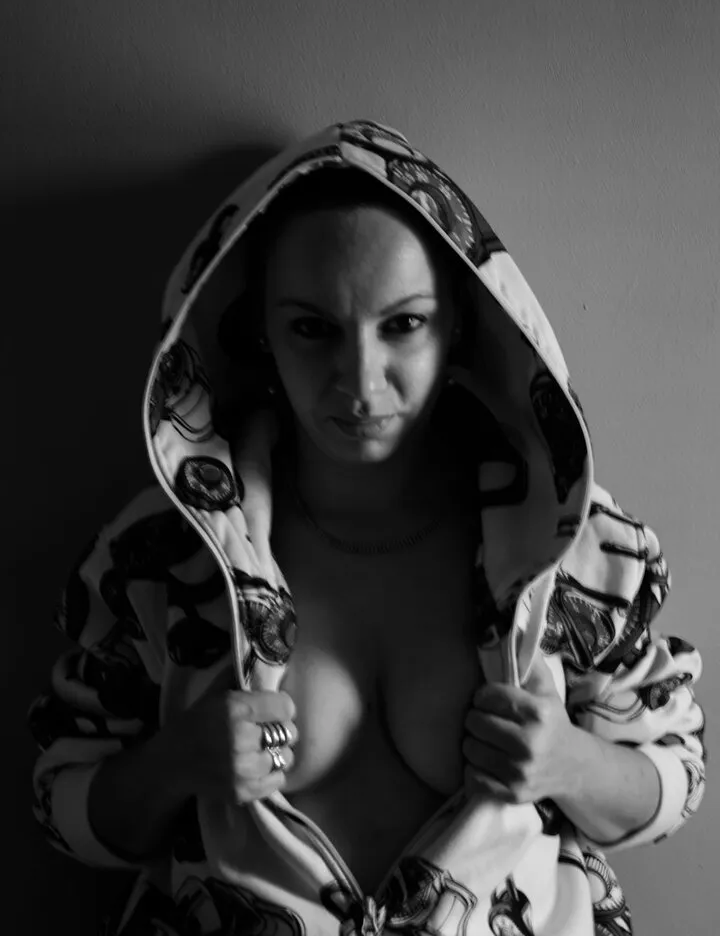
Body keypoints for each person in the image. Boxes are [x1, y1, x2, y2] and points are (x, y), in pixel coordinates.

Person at [29, 119, 706, 936]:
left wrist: (573, 762)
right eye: (312, 328)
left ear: (460, 324)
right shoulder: (166, 552)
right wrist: (176, 764)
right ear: (259, 331)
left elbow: (677, 779)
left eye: (403, 324)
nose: (359, 381)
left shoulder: (568, 539)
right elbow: (61, 801)